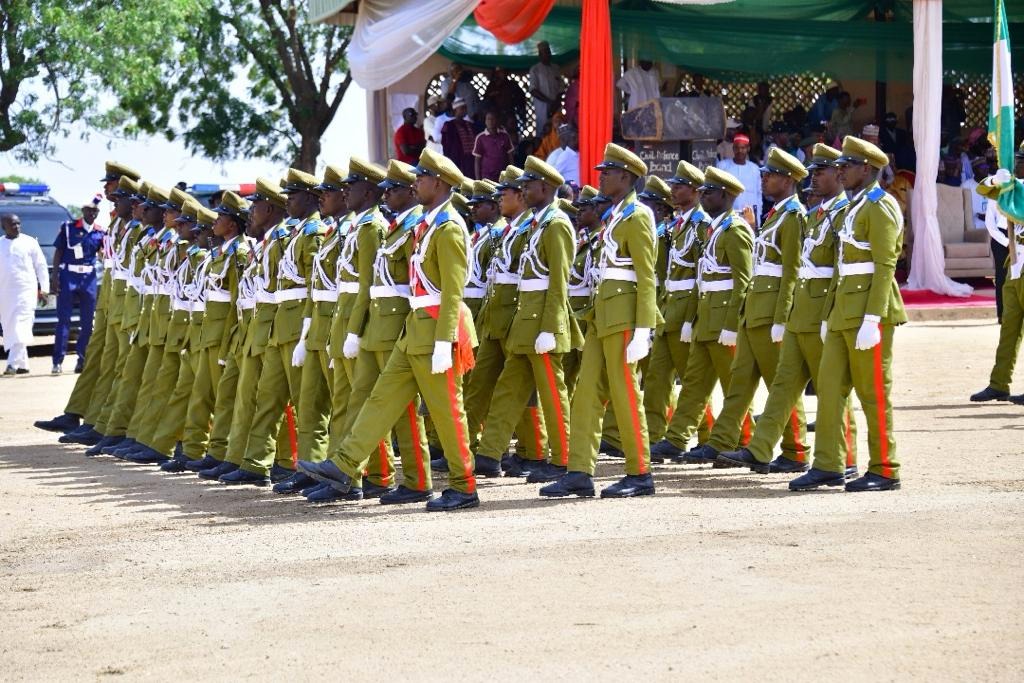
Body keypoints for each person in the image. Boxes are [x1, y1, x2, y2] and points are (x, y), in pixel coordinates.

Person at [299, 147, 481, 512]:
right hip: (414, 328)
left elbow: (452, 290)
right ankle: (345, 465)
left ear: (440, 183)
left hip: (437, 332)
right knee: (381, 399)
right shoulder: (429, 224)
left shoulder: (448, 229)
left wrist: (445, 340)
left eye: (423, 178)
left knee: (447, 412)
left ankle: (465, 486)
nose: (417, 183)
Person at [718, 144, 857, 476]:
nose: (815, 178)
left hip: (819, 310)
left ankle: (846, 458)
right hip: (799, 312)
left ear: (838, 175)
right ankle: (762, 448)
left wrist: (825, 313)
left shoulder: (841, 213)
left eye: (820, 172)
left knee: (831, 387)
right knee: (783, 385)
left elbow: (814, 268)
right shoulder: (815, 214)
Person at [540, 143, 658, 500]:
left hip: (623, 318)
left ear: (626, 176)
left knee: (625, 395)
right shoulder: (616, 216)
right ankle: (579, 470)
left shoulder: (637, 217)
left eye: (608, 172)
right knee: (586, 394)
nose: (601, 177)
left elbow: (646, 276)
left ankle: (640, 472)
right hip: (601, 316)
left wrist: (643, 329)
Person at [789, 136, 906, 492]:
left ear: (866, 169)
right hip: (842, 312)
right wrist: (828, 314)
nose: (840, 172)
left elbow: (886, 264)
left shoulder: (880, 205)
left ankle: (885, 468)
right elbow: (840, 266)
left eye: (846, 167)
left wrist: (873, 317)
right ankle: (828, 463)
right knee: (829, 389)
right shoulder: (854, 207)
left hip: (868, 313)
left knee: (873, 394)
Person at [471, 155, 578, 482]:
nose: (523, 190)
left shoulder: (557, 224)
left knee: (552, 395)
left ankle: (562, 460)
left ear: (544, 187)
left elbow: (559, 282)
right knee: (508, 389)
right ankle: (489, 454)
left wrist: (549, 327)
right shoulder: (537, 223)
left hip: (542, 324)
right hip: (523, 323)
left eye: (529, 185)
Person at [650, 166, 754, 460]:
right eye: (702, 190)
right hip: (704, 316)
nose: (703, 196)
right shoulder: (713, 229)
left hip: (723, 319)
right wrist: (692, 318)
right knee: (694, 383)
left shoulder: (733, 230)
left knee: (734, 385)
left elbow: (742, 281)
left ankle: (741, 440)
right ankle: (677, 437)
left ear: (724, 195)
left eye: (708, 191)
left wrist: (733, 324)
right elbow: (702, 276)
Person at [971, 153, 1024, 404]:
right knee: (1009, 330)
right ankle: (999, 383)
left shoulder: (1018, 189)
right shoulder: (1014, 186)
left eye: (1022, 160)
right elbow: (982, 189)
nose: (1017, 164)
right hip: (1015, 263)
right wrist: (995, 180)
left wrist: (1011, 185)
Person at [51, 199, 103, 375]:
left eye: (95, 211)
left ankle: (82, 359)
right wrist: (55, 277)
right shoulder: (69, 228)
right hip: (68, 276)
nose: (92, 214)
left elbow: (104, 254)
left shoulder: (100, 232)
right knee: (63, 321)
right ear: (83, 210)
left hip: (88, 278)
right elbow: (58, 252)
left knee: (88, 323)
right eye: (89, 210)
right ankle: (57, 361)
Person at [0, 213, 49, 375]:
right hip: (5, 294)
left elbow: (41, 266)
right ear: (4, 226)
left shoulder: (29, 242)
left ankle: (12, 364)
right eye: (12, 224)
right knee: (10, 328)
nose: (17, 227)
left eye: (18, 223)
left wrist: (45, 289)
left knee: (22, 325)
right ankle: (23, 364)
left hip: (26, 291)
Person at [717, 133, 763, 224]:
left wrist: (758, 214)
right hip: (729, 216)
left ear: (748, 149)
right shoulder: (723, 166)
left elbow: (758, 193)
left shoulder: (755, 169)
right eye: (737, 148)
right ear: (733, 148)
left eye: (743, 148)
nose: (740, 151)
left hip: (750, 217)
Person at [529, 41, 563, 131]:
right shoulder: (535, 69)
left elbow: (561, 88)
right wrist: (549, 102)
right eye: (546, 53)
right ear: (540, 55)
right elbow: (533, 90)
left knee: (558, 130)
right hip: (543, 107)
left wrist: (556, 102)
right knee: (544, 130)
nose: (548, 55)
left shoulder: (556, 68)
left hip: (556, 105)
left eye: (549, 52)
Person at [472, 110, 514, 181]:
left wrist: (512, 174)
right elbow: (477, 161)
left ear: (497, 120)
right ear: (485, 121)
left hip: (503, 175)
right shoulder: (480, 137)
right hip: (487, 176)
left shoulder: (505, 135)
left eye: (493, 119)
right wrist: (478, 180)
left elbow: (510, 157)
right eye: (488, 119)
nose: (490, 121)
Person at [441, 98, 477, 178]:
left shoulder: (470, 125)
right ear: (455, 110)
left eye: (465, 108)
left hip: (472, 159)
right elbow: (446, 146)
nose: (465, 110)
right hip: (458, 160)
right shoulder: (449, 125)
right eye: (462, 108)